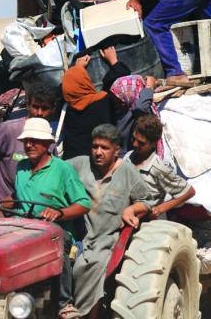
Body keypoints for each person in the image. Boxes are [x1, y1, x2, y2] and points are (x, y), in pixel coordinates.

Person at [67, 124, 152, 319]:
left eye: (104, 148)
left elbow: (147, 201)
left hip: (106, 238)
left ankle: (87, 315)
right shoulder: (80, 163)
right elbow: (55, 169)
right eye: (95, 146)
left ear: (116, 150)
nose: (98, 152)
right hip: (79, 233)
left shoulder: (127, 171)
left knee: (94, 264)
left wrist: (131, 209)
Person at [11, 118, 91, 319]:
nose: (29, 145)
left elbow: (84, 204)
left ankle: (64, 303)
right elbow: (17, 199)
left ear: (48, 144)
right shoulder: (21, 167)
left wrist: (59, 212)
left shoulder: (63, 169)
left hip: (55, 230)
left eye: (35, 140)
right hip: (24, 229)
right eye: (26, 140)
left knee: (55, 244)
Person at [0, 83, 58, 200]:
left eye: (45, 108)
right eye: (35, 107)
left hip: (33, 205)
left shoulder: (50, 139)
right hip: (4, 205)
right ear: (27, 105)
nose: (39, 113)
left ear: (53, 109)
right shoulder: (9, 129)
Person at [125, 115, 196, 217]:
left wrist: (160, 209)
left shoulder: (158, 168)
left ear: (153, 143)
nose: (135, 144)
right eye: (133, 139)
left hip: (144, 220)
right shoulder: (128, 156)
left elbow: (188, 192)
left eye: (141, 143)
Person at [60, 56, 118, 160]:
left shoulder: (67, 109)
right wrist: (114, 62)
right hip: (100, 161)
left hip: (72, 162)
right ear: (86, 80)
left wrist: (77, 68)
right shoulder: (103, 101)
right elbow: (122, 81)